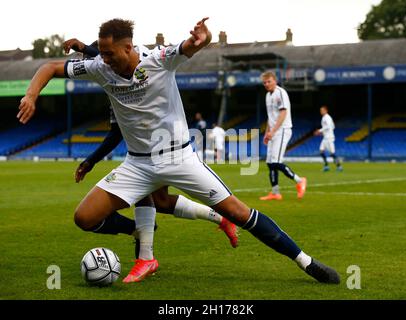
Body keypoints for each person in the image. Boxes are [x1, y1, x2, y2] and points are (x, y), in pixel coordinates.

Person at [17, 17, 340, 285]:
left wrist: (204, 37)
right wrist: (31, 95)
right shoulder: (100, 67)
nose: (102, 59)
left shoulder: (158, 59)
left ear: (129, 47)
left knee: (239, 213)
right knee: (84, 218)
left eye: (109, 53)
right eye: (100, 52)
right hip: (137, 165)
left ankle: (306, 262)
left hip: (179, 158)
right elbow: (49, 67)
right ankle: (138, 232)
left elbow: (190, 46)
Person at [65, 38, 239, 282]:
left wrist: (83, 47)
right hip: (142, 152)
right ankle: (219, 219)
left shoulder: (132, 70)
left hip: (161, 148)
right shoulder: (113, 80)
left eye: (104, 58)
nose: (101, 64)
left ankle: (145, 254)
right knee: (163, 202)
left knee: (150, 196)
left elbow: (115, 134)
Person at [259, 71, 307, 201]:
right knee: (270, 162)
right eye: (264, 83)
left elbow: (283, 113)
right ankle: (275, 192)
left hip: (282, 130)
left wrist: (273, 131)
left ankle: (300, 180)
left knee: (276, 161)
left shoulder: (280, 93)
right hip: (273, 131)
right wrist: (267, 133)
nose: (267, 84)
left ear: (275, 80)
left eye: (269, 81)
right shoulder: (268, 96)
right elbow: (271, 117)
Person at [314, 105, 343, 172]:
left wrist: (319, 131)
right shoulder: (325, 117)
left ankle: (339, 166)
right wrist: (324, 133)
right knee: (321, 151)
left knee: (332, 153)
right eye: (320, 110)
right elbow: (332, 127)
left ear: (326, 110)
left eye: (322, 110)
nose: (321, 111)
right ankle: (326, 166)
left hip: (329, 138)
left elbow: (328, 126)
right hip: (325, 137)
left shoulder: (327, 117)